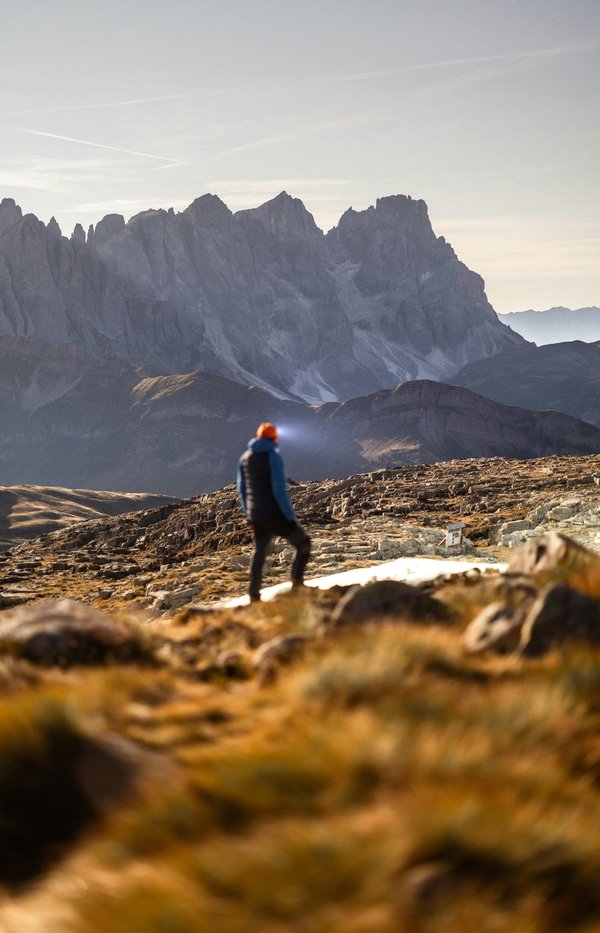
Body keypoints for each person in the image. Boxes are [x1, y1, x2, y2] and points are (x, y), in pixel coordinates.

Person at [237, 422, 311, 602]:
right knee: (303, 543)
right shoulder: (273, 457)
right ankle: (297, 583)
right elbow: (279, 491)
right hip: (274, 514)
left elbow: (242, 489)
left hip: (256, 515)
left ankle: (253, 594)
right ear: (274, 438)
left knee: (260, 552)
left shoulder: (245, 457)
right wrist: (290, 517)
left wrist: (248, 512)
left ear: (258, 436)